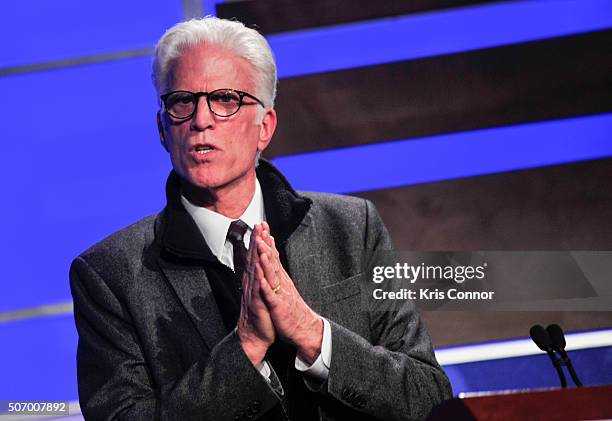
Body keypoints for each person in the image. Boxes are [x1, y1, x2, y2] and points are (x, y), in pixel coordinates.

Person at [70, 17, 451, 421]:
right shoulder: (110, 275)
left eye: (226, 99)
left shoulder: (352, 227)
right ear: (163, 128)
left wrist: (313, 334)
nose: (201, 119)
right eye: (182, 101)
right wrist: (245, 348)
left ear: (264, 127)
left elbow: (428, 396)